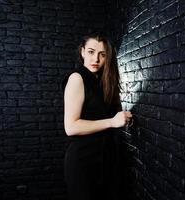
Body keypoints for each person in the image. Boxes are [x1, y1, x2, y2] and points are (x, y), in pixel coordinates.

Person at [62, 32, 132, 200]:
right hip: (83, 162)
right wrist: (112, 121)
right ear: (82, 52)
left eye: (102, 54)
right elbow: (71, 127)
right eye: (91, 52)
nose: (96, 59)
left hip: (106, 159)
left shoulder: (102, 81)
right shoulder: (77, 78)